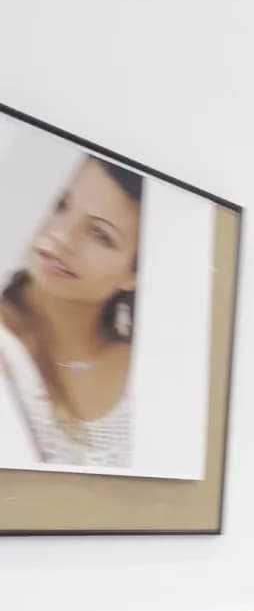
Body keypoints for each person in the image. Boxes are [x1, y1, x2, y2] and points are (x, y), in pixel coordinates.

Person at [0, 153, 143, 468]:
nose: (62, 237)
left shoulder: (150, 370)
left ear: (132, 275)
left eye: (99, 235)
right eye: (60, 204)